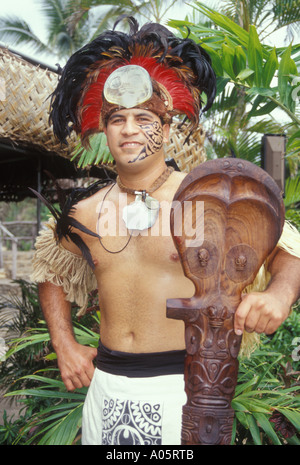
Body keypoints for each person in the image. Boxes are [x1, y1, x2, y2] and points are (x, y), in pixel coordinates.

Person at [31, 17, 300, 445]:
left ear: (169, 125)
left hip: (186, 389)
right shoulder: (85, 211)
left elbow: (289, 247)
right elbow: (50, 267)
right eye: (117, 118)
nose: (130, 130)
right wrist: (64, 344)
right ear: (103, 128)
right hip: (107, 387)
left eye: (144, 117)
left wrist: (279, 295)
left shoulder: (202, 201)